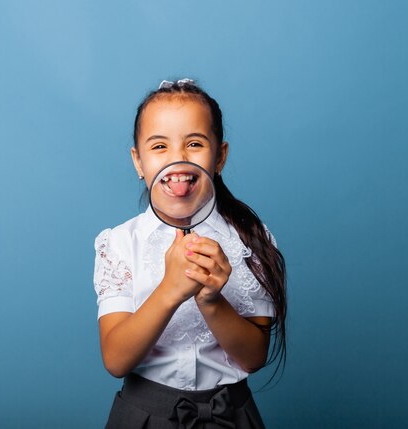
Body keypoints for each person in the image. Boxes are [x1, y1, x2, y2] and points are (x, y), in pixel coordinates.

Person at [93, 78, 287, 428]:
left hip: (232, 417)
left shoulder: (251, 241)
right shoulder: (120, 243)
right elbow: (116, 360)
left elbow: (254, 357)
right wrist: (170, 289)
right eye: (159, 147)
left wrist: (212, 301)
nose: (178, 160)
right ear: (138, 162)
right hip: (143, 416)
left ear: (220, 157)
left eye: (194, 143)